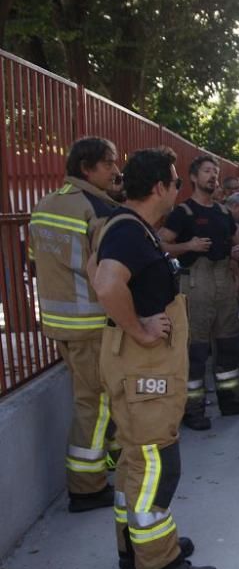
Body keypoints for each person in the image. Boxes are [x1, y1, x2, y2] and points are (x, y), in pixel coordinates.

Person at [92, 147, 218, 569]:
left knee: (134, 459)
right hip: (144, 365)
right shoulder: (128, 229)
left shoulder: (126, 227)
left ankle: (138, 547)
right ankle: (158, 566)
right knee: (155, 463)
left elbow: (95, 271)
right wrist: (141, 329)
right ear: (160, 187)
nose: (178, 190)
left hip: (136, 364)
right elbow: (106, 283)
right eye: (175, 182)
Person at [29, 137, 119, 512]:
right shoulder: (95, 210)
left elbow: (34, 260)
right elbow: (107, 273)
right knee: (95, 403)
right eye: (109, 164)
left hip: (57, 323)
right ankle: (86, 486)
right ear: (87, 167)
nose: (116, 171)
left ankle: (102, 463)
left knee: (93, 399)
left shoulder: (45, 204)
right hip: (90, 325)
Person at [159, 155, 239, 431]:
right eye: (207, 171)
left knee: (228, 343)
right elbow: (160, 243)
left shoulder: (223, 212)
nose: (213, 176)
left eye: (215, 172)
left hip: (224, 282)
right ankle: (193, 410)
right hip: (196, 284)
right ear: (193, 177)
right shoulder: (183, 212)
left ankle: (232, 401)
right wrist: (188, 246)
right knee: (196, 349)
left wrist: (238, 251)